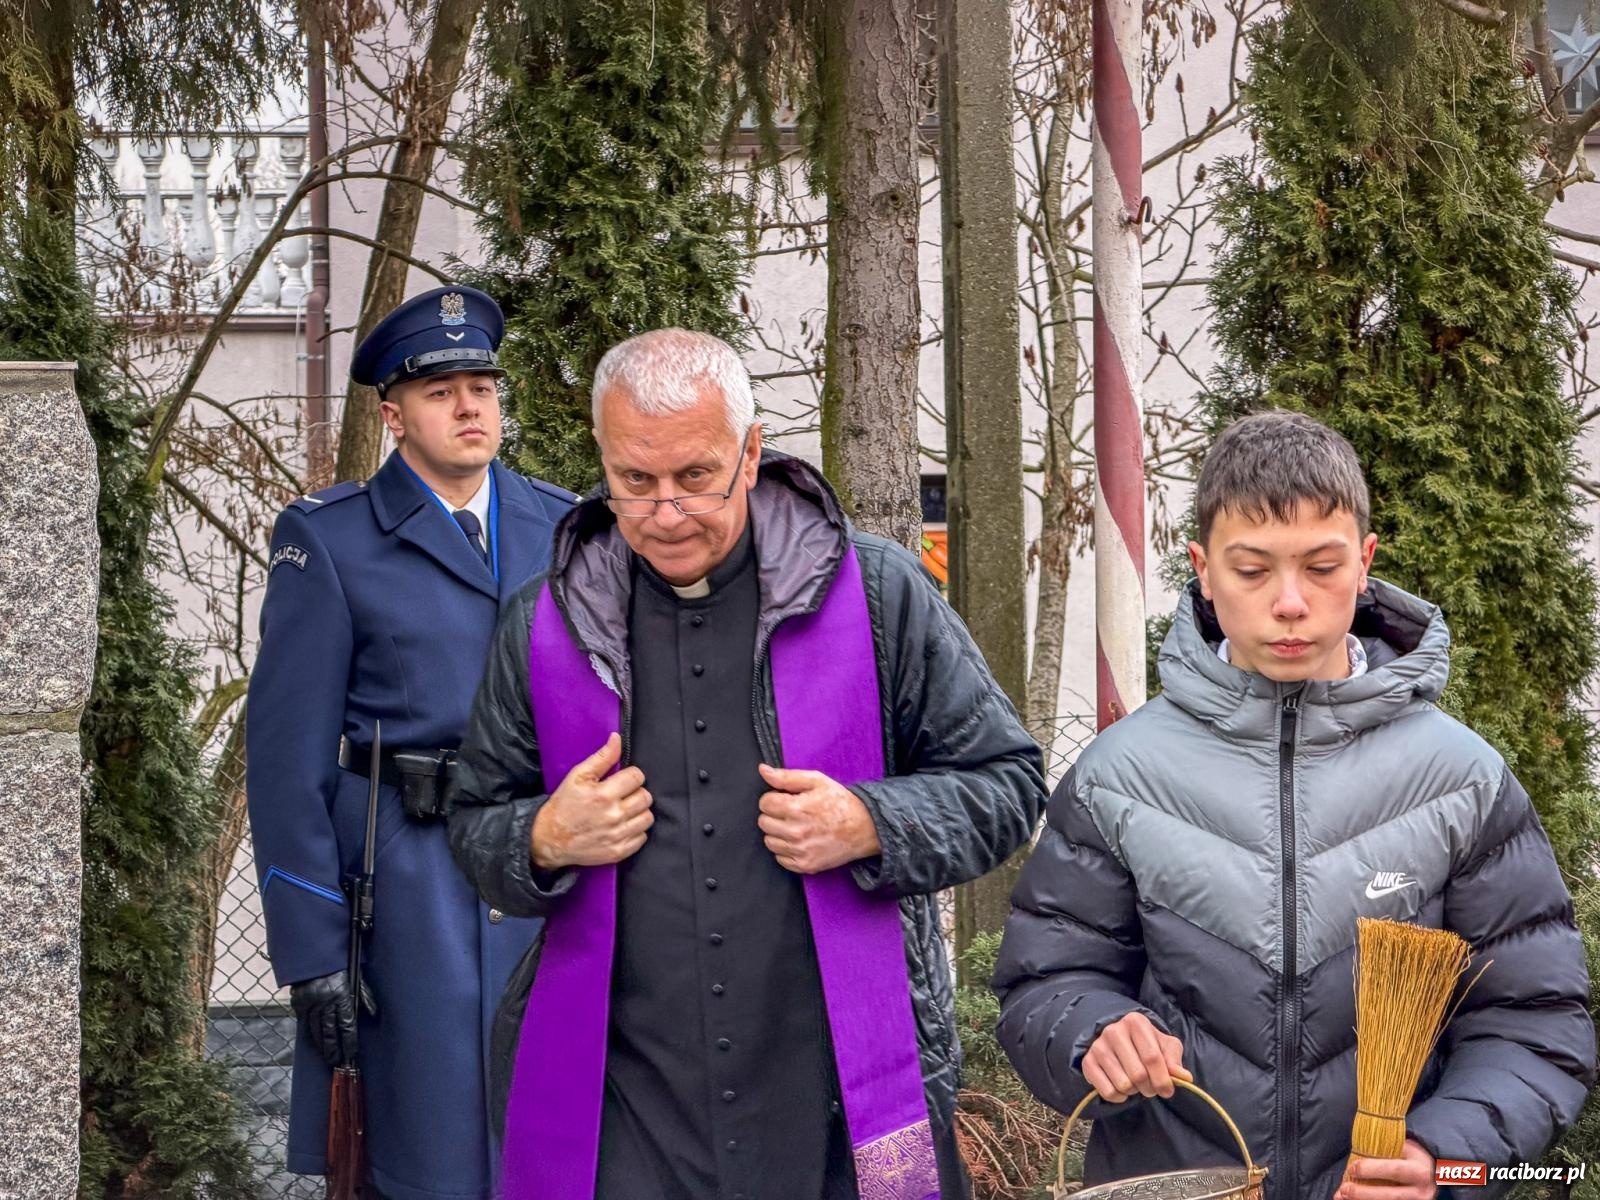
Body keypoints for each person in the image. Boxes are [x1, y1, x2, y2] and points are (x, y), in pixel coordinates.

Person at [445, 328, 1046, 1200]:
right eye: (634, 483)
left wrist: (872, 822)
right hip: (624, 1098)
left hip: (843, 1088)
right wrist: (540, 836)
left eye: (695, 477)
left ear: (752, 452)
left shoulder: (876, 594)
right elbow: (472, 822)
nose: (666, 511)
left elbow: (1007, 780)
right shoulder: (545, 621)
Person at [993, 411, 1596, 1200]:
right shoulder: (1121, 776)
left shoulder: (1460, 779)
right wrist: (1089, 1035)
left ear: (1365, 561)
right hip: (1176, 1180)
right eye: (1252, 571)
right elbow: (1045, 984)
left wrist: (1445, 1155)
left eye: (1321, 567)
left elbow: (1536, 1022)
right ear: (1203, 569)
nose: (1288, 602)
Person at [246, 285, 578, 1200]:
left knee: (559, 1143)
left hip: (550, 870)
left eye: (483, 385)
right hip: (406, 884)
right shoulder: (331, 541)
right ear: (394, 415)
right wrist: (312, 952)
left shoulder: (569, 526)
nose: (470, 406)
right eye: (441, 391)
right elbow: (285, 764)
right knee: (431, 1155)